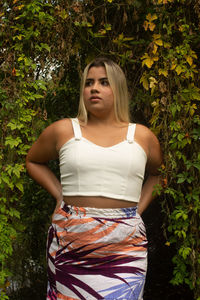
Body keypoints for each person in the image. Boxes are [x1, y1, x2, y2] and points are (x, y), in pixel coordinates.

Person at [26, 57, 162, 300]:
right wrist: (59, 194)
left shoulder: (142, 136)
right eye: (89, 83)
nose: (94, 88)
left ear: (118, 89)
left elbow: (159, 175)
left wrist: (136, 211)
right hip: (71, 240)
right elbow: (33, 161)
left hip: (126, 245)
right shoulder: (64, 130)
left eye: (103, 82)